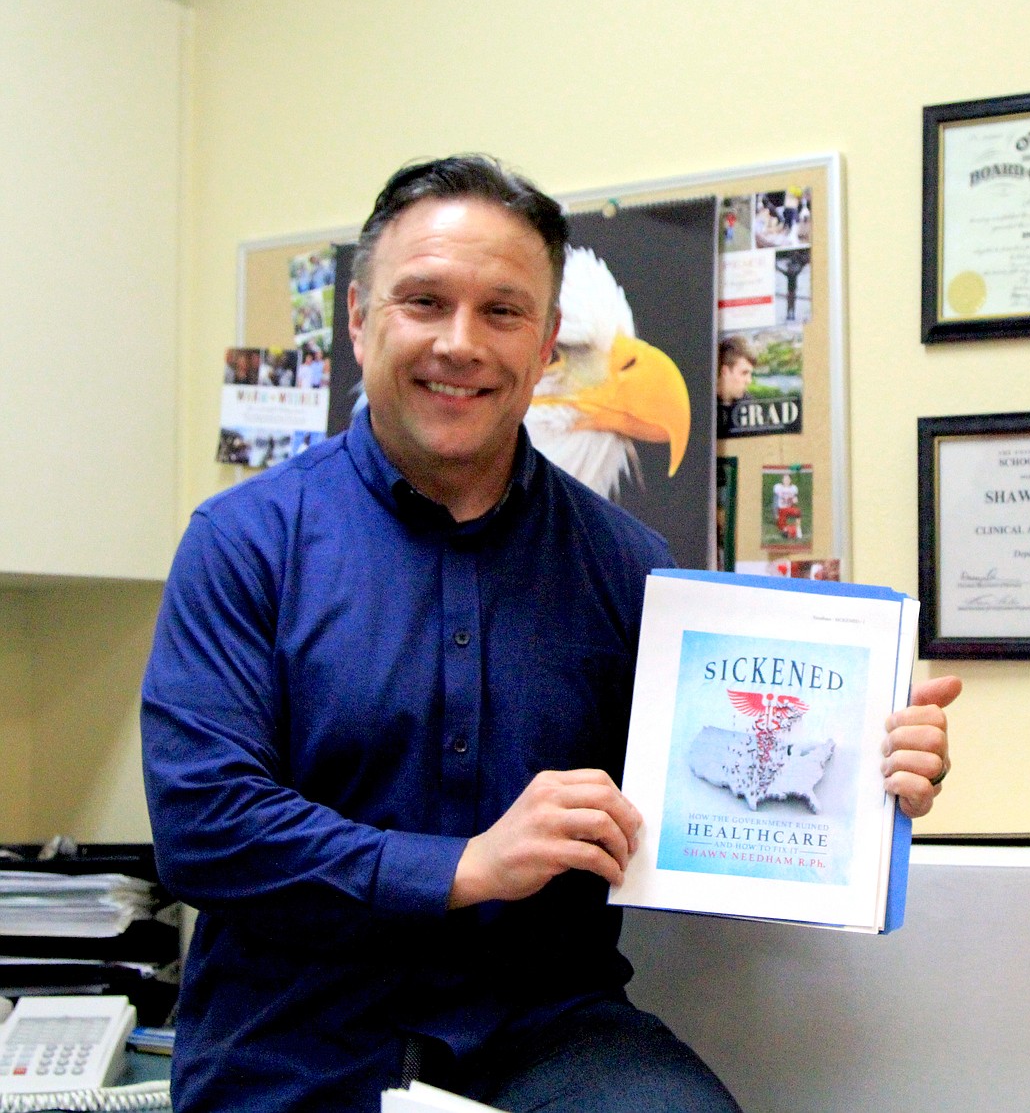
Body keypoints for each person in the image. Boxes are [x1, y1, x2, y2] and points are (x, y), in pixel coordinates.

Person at [141, 155, 956, 1113]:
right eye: (424, 301)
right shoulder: (244, 546)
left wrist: (867, 768)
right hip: (293, 1046)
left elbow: (707, 791)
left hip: (543, 1035)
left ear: (543, 342)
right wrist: (460, 866)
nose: (461, 343)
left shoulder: (629, 565)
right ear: (359, 322)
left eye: (502, 311)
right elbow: (207, 829)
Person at [716, 334, 755, 438]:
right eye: (744, 373)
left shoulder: (749, 405)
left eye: (750, 374)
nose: (749, 381)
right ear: (725, 371)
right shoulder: (701, 406)